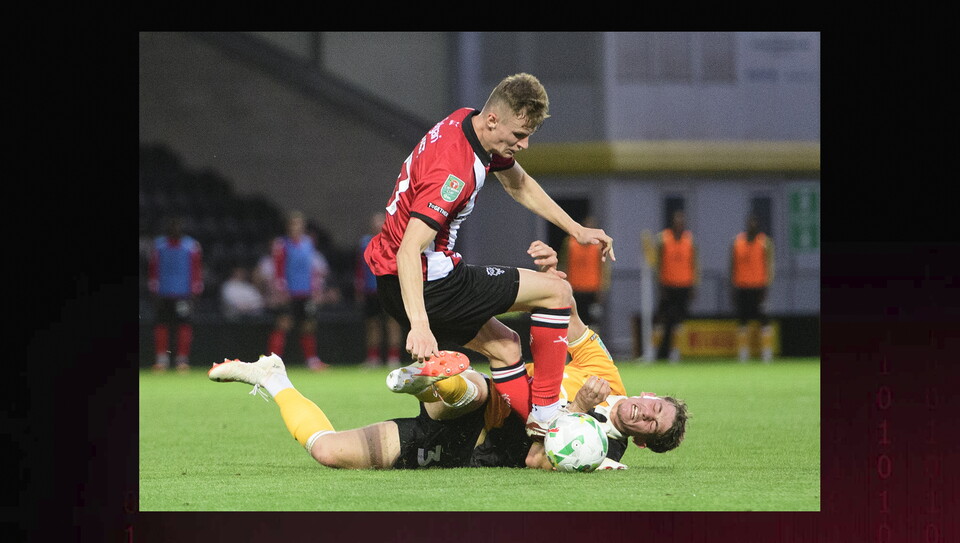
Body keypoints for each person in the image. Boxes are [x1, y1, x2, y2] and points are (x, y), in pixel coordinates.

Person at [362, 72, 615, 438]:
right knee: (557, 293)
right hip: (428, 282)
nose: (524, 145)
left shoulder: (467, 121)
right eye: (518, 135)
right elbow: (409, 249)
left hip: (396, 283)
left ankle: (527, 439)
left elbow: (520, 183)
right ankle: (546, 414)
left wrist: (576, 229)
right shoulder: (456, 171)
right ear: (494, 120)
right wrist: (420, 325)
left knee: (506, 347)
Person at [207, 324, 688, 471]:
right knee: (483, 389)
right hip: (491, 404)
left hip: (474, 449)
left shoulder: (607, 448)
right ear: (648, 393)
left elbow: (538, 461)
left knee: (329, 452)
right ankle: (437, 380)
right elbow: (572, 323)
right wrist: (554, 272)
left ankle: (274, 379)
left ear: (643, 441)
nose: (645, 413)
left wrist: (578, 410)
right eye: (655, 406)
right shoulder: (610, 375)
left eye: (651, 423)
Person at [266, 211, 332, 371]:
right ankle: (273, 362)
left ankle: (312, 360)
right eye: (293, 224)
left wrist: (316, 288)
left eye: (299, 224)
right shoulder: (281, 244)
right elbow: (278, 269)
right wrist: (280, 290)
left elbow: (312, 268)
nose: (296, 227)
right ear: (288, 227)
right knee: (283, 324)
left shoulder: (309, 243)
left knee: (308, 325)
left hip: (306, 292)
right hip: (289, 292)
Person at [148, 215, 203, 371]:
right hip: (163, 293)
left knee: (184, 325)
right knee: (161, 325)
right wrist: (153, 289)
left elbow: (196, 269)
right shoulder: (159, 246)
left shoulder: (191, 246)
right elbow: (153, 270)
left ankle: (182, 360)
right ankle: (161, 359)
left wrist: (195, 289)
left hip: (183, 294)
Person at [356, 212, 403, 368]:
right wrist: (359, 288)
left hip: (390, 288)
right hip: (371, 290)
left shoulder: (395, 241)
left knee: (393, 323)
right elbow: (360, 269)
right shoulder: (365, 243)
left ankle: (393, 358)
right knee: (372, 324)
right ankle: (373, 358)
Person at [652, 209, 698, 362]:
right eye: (677, 222)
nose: (679, 225)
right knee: (662, 319)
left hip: (684, 285)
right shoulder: (663, 239)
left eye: (681, 222)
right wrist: (660, 284)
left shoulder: (690, 240)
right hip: (668, 286)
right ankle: (655, 351)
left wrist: (693, 285)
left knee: (678, 321)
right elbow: (658, 263)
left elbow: (695, 264)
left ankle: (675, 353)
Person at [730, 212, 775, 362]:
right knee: (742, 320)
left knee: (764, 319)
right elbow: (732, 266)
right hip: (742, 287)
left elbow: (769, 266)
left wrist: (766, 286)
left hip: (759, 288)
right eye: (750, 223)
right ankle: (743, 353)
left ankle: (767, 352)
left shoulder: (765, 243)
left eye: (754, 223)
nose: (752, 226)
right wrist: (733, 287)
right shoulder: (737, 242)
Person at [559, 215, 610, 331]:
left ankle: (592, 344)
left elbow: (604, 269)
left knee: (593, 321)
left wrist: (602, 288)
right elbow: (564, 264)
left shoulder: (599, 246)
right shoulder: (569, 243)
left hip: (592, 290)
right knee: (574, 319)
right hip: (574, 289)